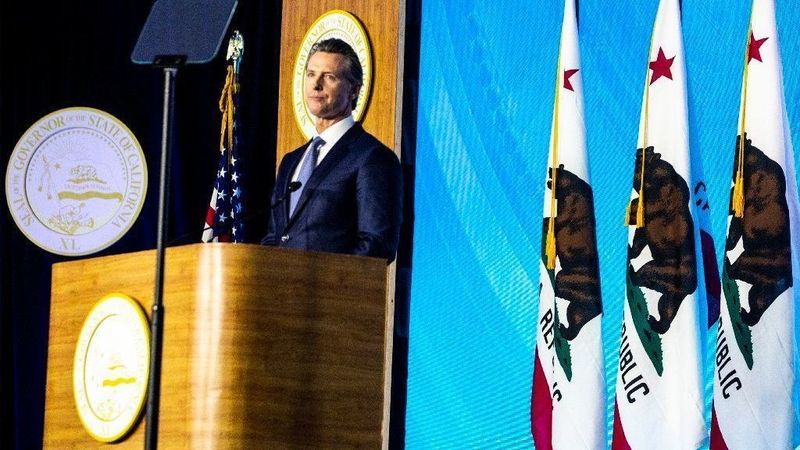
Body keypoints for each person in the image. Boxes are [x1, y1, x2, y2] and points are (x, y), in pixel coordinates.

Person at [261, 38, 402, 262]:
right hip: (282, 293)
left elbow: (376, 244)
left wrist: (327, 283)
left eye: (329, 77)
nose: (316, 84)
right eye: (310, 74)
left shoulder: (372, 157)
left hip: (331, 294)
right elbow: (274, 236)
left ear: (353, 91)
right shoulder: (291, 161)